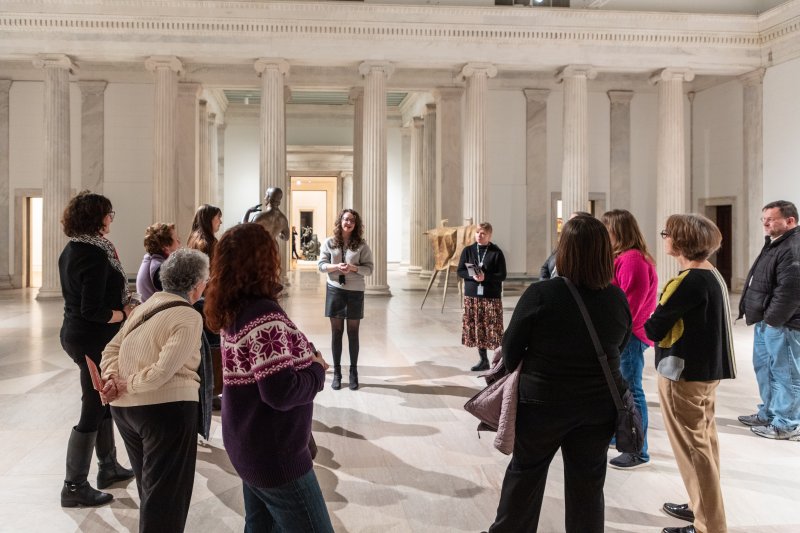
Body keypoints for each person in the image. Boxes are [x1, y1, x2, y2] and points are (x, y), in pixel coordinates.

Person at [487, 216, 631, 533]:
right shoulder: (616, 298)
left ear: (564, 251)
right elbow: (619, 345)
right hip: (597, 408)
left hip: (542, 404)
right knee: (588, 485)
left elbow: (510, 352)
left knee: (526, 475)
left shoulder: (542, 294)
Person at [204, 223, 334, 532]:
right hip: (276, 454)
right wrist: (316, 371)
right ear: (263, 261)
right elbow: (280, 392)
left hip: (249, 443)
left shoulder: (235, 308)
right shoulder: (263, 316)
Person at [99, 248, 207, 533]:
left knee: (152, 491)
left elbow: (111, 348)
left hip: (124, 411)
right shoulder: (189, 316)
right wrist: (126, 383)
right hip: (165, 411)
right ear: (197, 285)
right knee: (167, 500)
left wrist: (112, 379)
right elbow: (163, 371)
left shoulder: (144, 307)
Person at [645, 214, 736, 533]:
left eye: (667, 233)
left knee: (694, 451)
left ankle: (708, 525)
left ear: (681, 241)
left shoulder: (688, 280)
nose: (664, 237)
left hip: (683, 374)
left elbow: (655, 328)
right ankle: (700, 507)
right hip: (705, 372)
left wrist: (650, 315)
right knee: (704, 445)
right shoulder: (711, 274)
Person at [58, 191, 134, 507]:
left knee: (102, 400)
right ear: (98, 218)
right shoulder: (94, 254)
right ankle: (73, 486)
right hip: (90, 337)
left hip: (82, 335)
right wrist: (124, 314)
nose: (111, 218)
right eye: (109, 213)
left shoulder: (75, 248)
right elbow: (92, 310)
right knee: (93, 404)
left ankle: (108, 467)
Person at [737, 200, 800, 441]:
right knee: (766, 370)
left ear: (790, 221)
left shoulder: (793, 246)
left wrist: (773, 319)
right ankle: (770, 413)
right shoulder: (775, 243)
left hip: (784, 324)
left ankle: (788, 424)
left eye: (771, 219)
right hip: (768, 321)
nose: (765, 223)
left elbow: (791, 290)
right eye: (763, 218)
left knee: (787, 376)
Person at [601, 209, 658, 470]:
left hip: (630, 336)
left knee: (631, 391)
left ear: (618, 231)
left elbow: (628, 307)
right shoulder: (623, 257)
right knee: (618, 390)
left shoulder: (633, 259)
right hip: (623, 335)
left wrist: (613, 337)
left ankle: (638, 450)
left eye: (607, 229)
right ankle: (620, 435)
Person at [318, 209, 374, 390]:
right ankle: (337, 373)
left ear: (356, 225)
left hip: (355, 291)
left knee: (353, 332)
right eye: (345, 219)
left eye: (352, 220)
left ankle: (353, 372)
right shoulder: (329, 242)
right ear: (340, 221)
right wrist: (336, 267)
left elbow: (369, 269)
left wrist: (353, 268)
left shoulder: (362, 245)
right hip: (335, 290)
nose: (348, 222)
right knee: (336, 332)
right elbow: (321, 266)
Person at [457, 222, 507, 371]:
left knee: (493, 328)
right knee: (478, 328)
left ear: (489, 235)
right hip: (473, 296)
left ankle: (499, 360)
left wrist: (486, 277)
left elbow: (502, 275)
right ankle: (483, 359)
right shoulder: (468, 250)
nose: (479, 235)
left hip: (491, 296)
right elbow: (460, 271)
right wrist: (473, 277)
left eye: (483, 233)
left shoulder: (496, 252)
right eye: (477, 233)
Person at [135, 222, 181, 303]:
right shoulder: (158, 267)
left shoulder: (151, 260)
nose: (179, 243)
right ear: (166, 247)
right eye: (176, 240)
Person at [539, 211, 591, 280]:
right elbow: (544, 268)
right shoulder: (560, 246)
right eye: (568, 221)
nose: (567, 224)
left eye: (572, 221)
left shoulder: (585, 252)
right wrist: (544, 284)